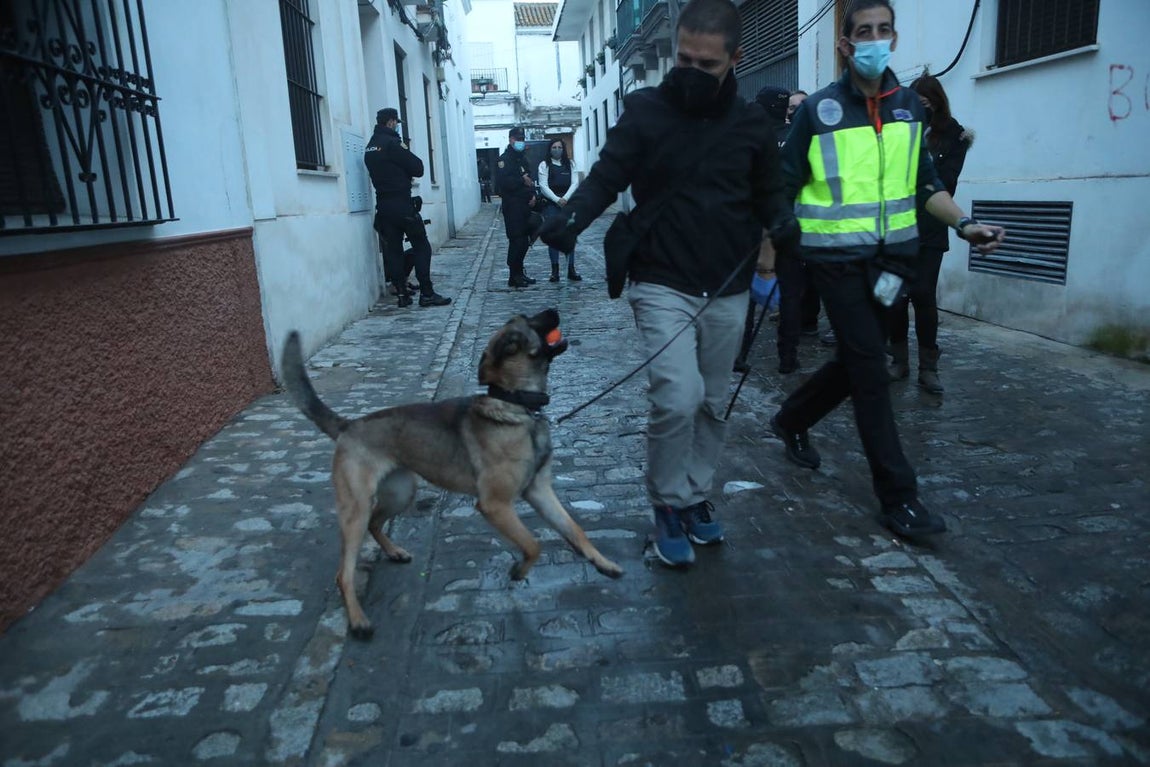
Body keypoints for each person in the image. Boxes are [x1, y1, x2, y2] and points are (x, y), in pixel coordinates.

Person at [539, 0, 798, 568]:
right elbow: (607, 175)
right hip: (660, 279)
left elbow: (769, 192)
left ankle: (695, 496)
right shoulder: (645, 111)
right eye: (683, 58)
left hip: (727, 286)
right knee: (677, 398)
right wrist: (574, 217)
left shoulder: (752, 124)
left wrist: (781, 223)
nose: (691, 71)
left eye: (706, 64)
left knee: (713, 403)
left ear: (736, 59)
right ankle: (665, 505)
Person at [770, 0, 1004, 540]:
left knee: (858, 360)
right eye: (863, 32)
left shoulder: (909, 109)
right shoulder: (819, 110)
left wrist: (965, 225)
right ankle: (899, 496)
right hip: (834, 260)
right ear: (846, 44)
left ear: (893, 39)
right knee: (871, 371)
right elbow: (781, 185)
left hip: (895, 261)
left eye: (884, 30)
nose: (874, 39)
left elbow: (926, 186)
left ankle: (792, 419)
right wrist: (774, 238)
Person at [887, 73, 973, 394]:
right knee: (895, 298)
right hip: (896, 227)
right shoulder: (897, 130)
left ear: (937, 103)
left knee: (922, 294)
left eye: (926, 105)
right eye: (916, 105)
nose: (921, 111)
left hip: (931, 227)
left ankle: (928, 367)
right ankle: (898, 361)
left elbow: (946, 183)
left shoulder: (954, 135)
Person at [364, 108, 451, 308]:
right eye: (397, 122)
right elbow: (418, 168)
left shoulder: (370, 147)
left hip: (383, 206)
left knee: (393, 250)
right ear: (391, 122)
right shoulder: (393, 144)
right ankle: (427, 293)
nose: (397, 126)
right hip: (402, 204)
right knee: (422, 246)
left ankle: (402, 294)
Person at [495, 127, 539, 288]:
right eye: (516, 139)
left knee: (525, 240)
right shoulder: (504, 160)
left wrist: (533, 194)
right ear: (510, 139)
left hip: (526, 205)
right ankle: (514, 276)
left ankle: (520, 273)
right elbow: (504, 184)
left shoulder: (522, 159)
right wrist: (522, 180)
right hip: (513, 207)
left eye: (521, 138)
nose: (519, 141)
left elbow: (531, 178)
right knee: (517, 241)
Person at [537, 139, 582, 282]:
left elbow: (575, 183)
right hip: (551, 205)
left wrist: (566, 198)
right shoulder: (544, 165)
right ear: (550, 149)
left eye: (559, 147)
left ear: (563, 149)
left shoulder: (571, 164)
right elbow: (543, 186)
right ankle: (555, 270)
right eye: (554, 147)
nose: (557, 150)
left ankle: (571, 269)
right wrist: (557, 200)